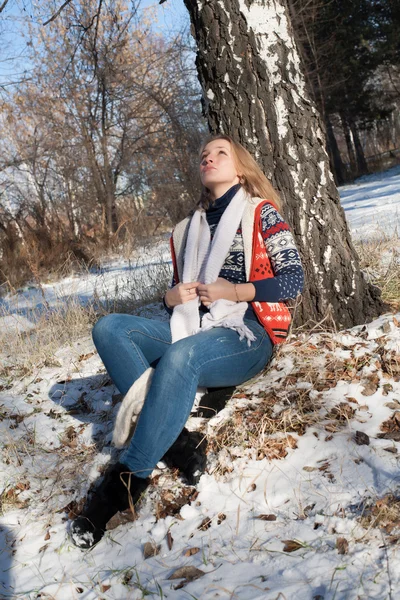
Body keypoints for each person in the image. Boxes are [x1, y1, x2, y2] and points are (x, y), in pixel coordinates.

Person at [70, 135, 304, 549]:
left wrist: (234, 291)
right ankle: (180, 442)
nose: (209, 158)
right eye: (203, 155)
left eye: (221, 153)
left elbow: (292, 279)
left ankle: (123, 486)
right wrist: (168, 297)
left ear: (241, 167)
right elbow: (182, 299)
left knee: (180, 356)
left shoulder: (261, 213)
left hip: (249, 333)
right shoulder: (185, 230)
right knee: (110, 328)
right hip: (195, 329)